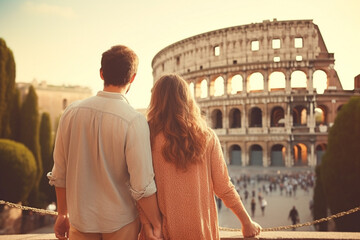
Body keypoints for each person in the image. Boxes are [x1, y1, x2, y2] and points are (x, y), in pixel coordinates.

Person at [48, 45, 162, 240]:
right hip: (121, 223)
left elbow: (60, 173)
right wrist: (157, 223)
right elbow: (142, 185)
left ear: (101, 74)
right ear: (133, 78)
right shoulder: (134, 120)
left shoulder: (70, 113)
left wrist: (62, 214)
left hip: (80, 222)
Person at [139, 74, 261, 239]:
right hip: (201, 232)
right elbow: (224, 187)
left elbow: (140, 187)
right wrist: (246, 222)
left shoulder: (146, 137)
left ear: (155, 100)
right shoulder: (207, 136)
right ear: (187, 99)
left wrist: (146, 224)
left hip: (161, 233)